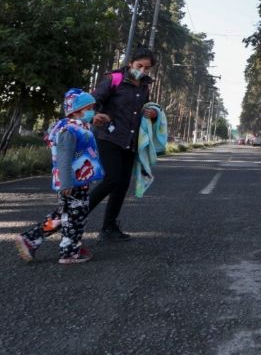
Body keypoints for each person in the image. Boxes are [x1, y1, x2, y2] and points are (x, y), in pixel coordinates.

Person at [14, 89, 104, 264]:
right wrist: (66, 182)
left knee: (63, 216)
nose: (92, 111)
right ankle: (69, 251)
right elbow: (63, 158)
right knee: (75, 217)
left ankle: (30, 240)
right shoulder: (69, 130)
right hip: (71, 183)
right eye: (89, 108)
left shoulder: (79, 127)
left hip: (78, 181)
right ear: (76, 111)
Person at [88, 47, 159, 242]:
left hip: (130, 141)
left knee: (122, 185)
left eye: (147, 68)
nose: (142, 71)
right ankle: (75, 216)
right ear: (130, 64)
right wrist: (95, 115)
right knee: (111, 179)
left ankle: (108, 228)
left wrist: (152, 114)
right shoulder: (114, 79)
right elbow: (92, 101)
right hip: (109, 137)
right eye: (139, 66)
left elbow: (143, 111)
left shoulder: (144, 86)